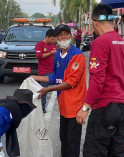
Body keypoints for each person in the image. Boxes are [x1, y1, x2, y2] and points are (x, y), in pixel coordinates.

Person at [76, 4, 124, 157]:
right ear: (113, 22)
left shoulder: (101, 42)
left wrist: (85, 108)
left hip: (106, 107)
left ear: (94, 22)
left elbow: (97, 79)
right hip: (122, 107)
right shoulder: (120, 41)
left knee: (94, 152)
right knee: (116, 152)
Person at [32, 24, 86, 157]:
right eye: (60, 35)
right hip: (63, 106)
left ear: (71, 36)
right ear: (56, 38)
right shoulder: (57, 56)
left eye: (66, 34)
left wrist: (48, 89)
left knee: (73, 143)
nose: (63, 37)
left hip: (75, 107)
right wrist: (35, 77)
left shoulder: (76, 56)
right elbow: (55, 77)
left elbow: (70, 82)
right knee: (64, 140)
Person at [35, 28, 57, 113]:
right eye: (52, 39)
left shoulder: (54, 45)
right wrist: (51, 53)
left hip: (53, 71)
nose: (52, 41)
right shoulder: (39, 44)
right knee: (44, 91)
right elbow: (39, 56)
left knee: (59, 86)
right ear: (47, 37)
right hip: (44, 72)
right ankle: (42, 107)